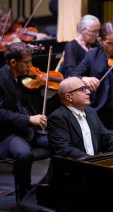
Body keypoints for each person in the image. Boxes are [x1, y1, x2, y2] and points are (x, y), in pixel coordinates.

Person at [0, 42, 49, 200]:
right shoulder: (1, 79)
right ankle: (24, 196)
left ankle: (46, 185)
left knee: (59, 142)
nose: (31, 65)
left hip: (25, 130)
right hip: (7, 133)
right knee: (23, 154)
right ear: (13, 63)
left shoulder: (21, 78)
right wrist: (28, 119)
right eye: (27, 62)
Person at [47, 76, 113, 159]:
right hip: (73, 168)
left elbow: (107, 139)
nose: (88, 92)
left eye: (87, 88)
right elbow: (65, 150)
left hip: (92, 165)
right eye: (82, 89)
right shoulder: (58, 118)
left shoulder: (91, 112)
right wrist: (92, 162)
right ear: (68, 97)